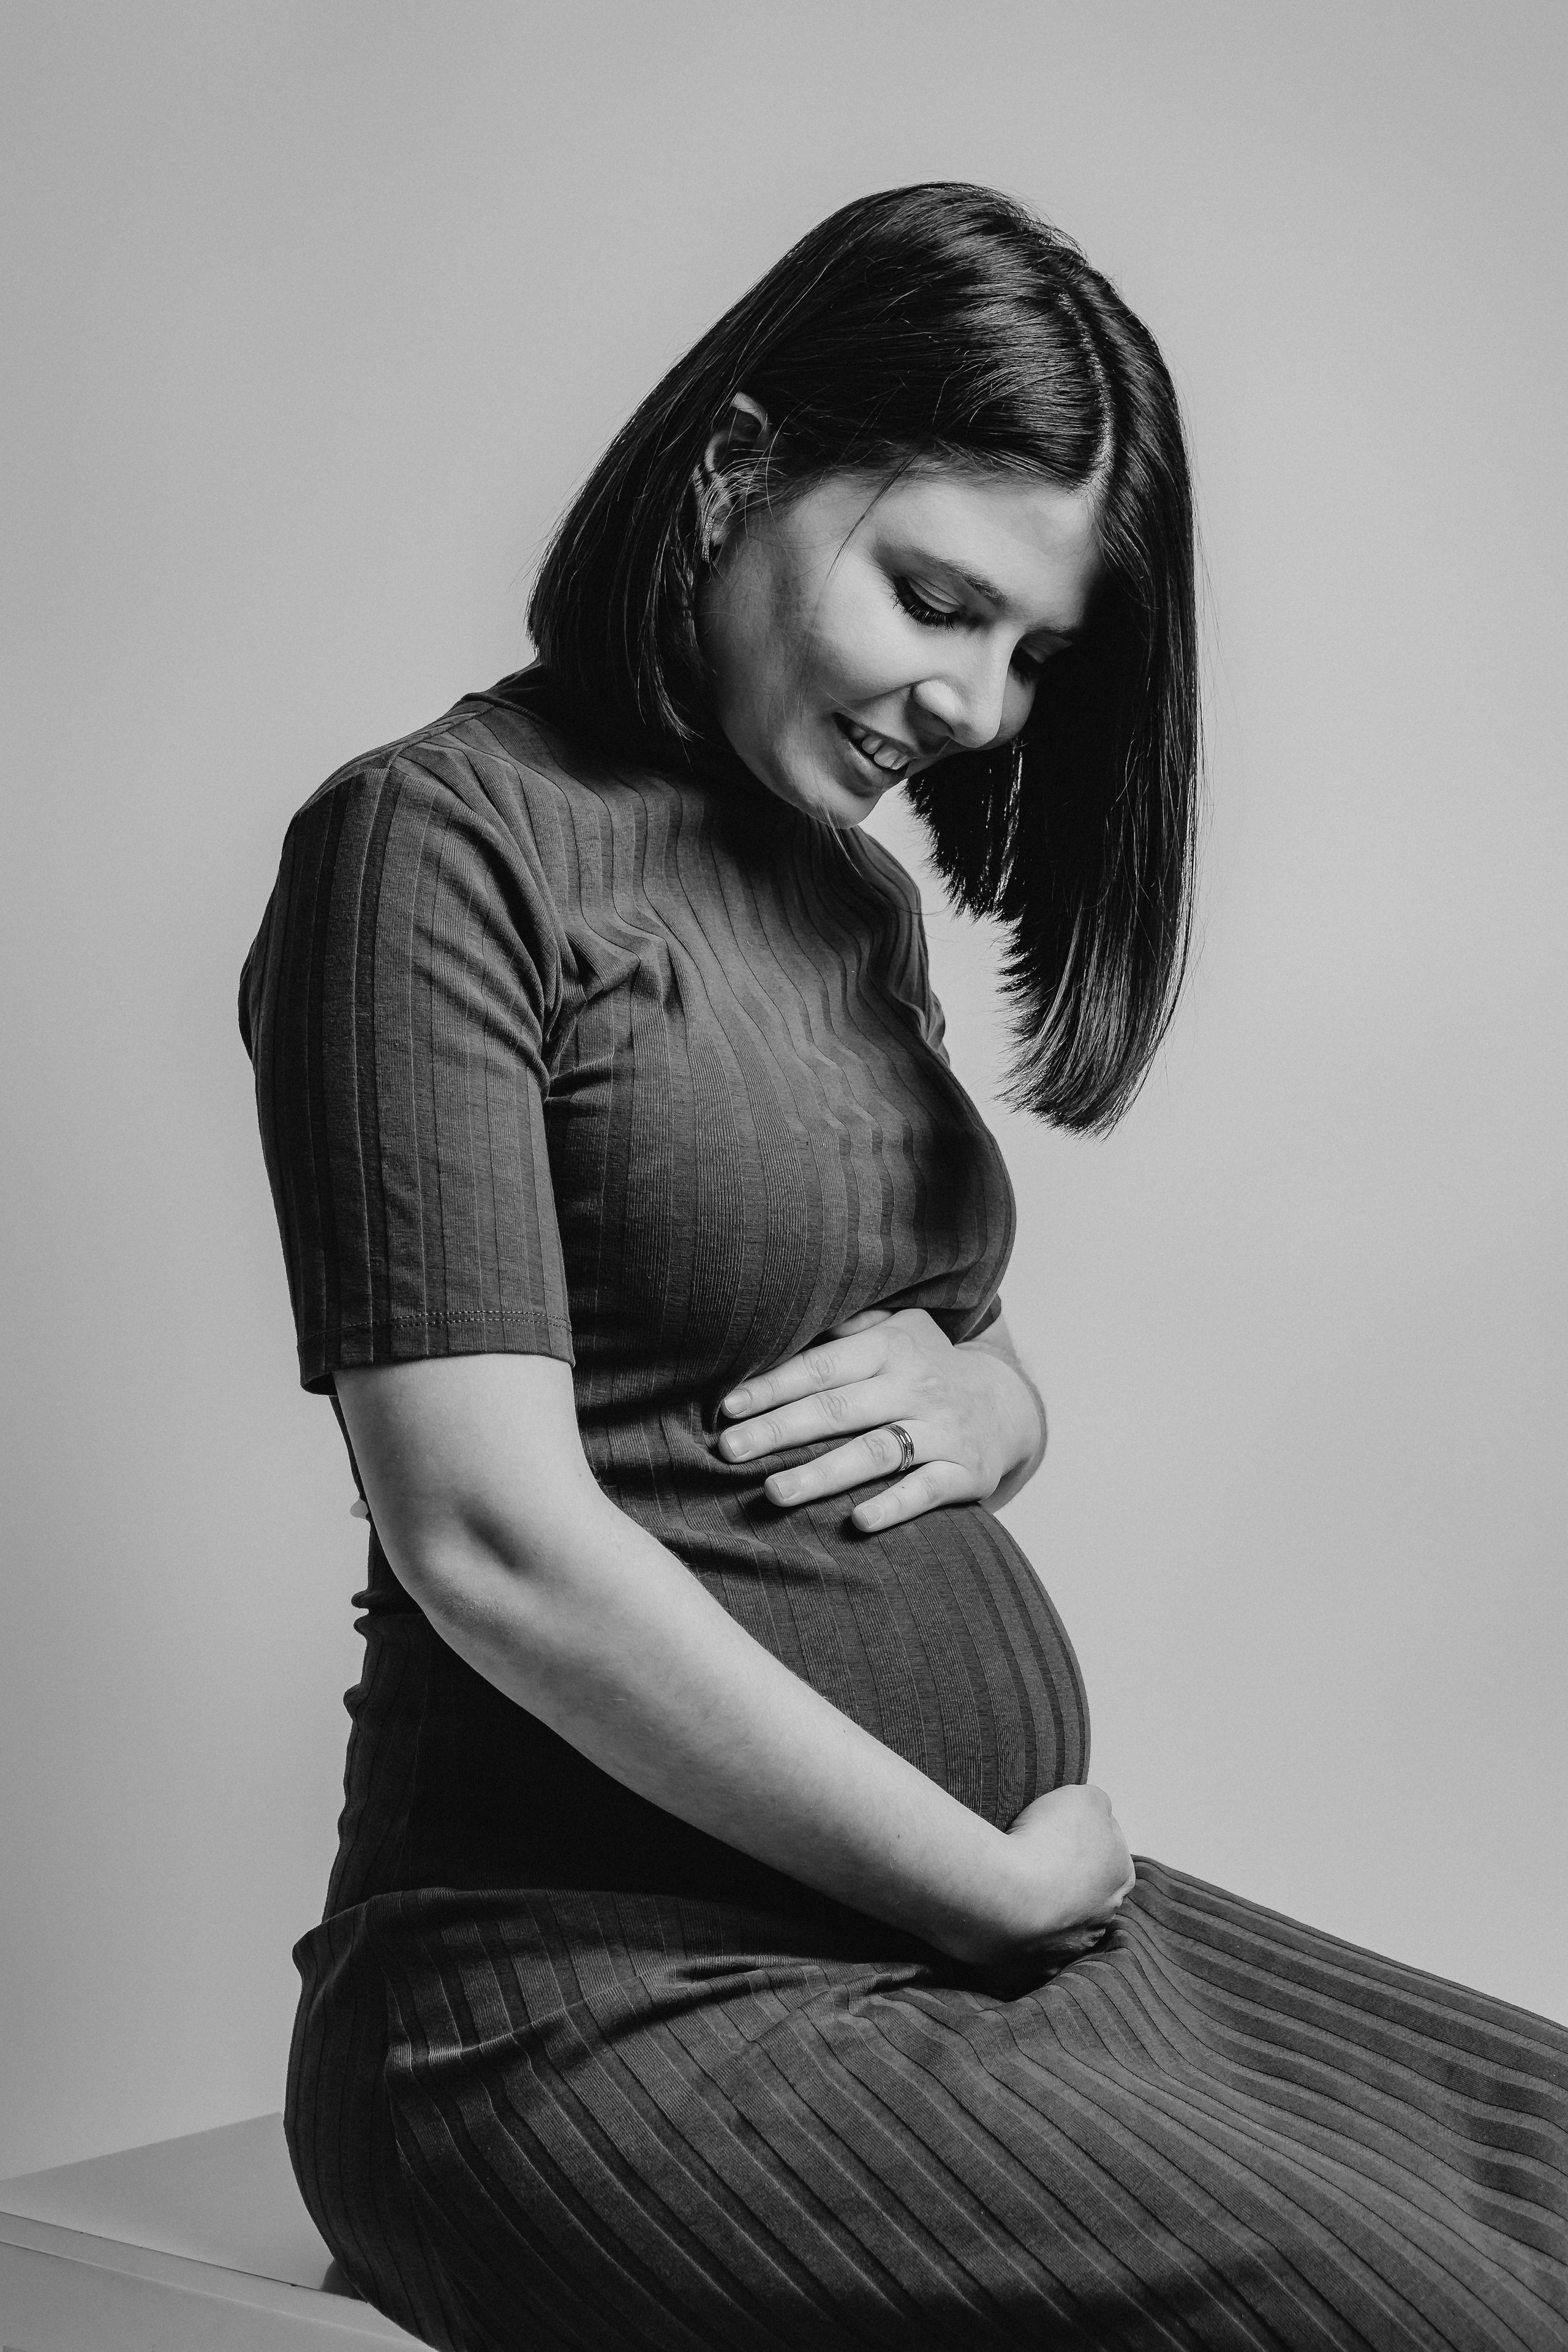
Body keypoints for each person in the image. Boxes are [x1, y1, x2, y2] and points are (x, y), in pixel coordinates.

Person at [241, 184, 1567, 2352]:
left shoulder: (843, 895)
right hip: (583, 2005)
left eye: (1036, 651)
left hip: (929, 1961)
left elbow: (872, 1293)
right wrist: (993, 1883)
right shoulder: (436, 844)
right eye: (940, 599)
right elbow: (486, 1534)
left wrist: (1004, 1395)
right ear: (744, 463)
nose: (979, 698)